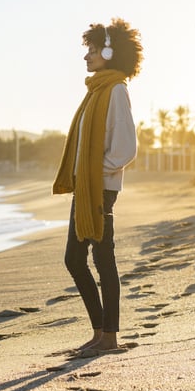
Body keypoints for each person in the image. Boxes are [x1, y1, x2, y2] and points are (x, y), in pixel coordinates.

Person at [52, 18, 142, 352]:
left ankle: (109, 336)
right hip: (88, 187)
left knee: (101, 260)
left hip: (100, 189)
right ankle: (101, 332)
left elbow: (125, 149)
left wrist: (95, 171)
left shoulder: (116, 90)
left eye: (92, 50)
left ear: (108, 51)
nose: (86, 57)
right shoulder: (97, 90)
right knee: (77, 260)